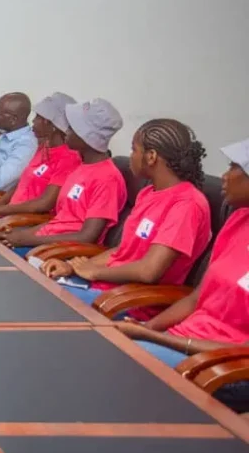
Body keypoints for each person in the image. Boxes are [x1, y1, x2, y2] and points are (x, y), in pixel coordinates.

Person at [116, 137, 249, 412]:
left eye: (234, 167)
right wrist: (147, 328)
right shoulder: (239, 219)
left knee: (118, 360)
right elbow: (196, 298)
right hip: (183, 341)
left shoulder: (189, 203)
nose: (224, 176)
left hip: (224, 365)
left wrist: (155, 338)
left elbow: (243, 352)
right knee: (108, 345)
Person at [39, 119, 211, 311]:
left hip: (128, 302)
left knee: (45, 301)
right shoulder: (148, 193)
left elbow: (148, 271)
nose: (131, 156)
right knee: (39, 283)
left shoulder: (187, 205)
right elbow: (123, 251)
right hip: (104, 288)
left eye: (134, 149)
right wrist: (72, 267)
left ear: (151, 156)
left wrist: (95, 272)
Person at [0, 99, 126, 256]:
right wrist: (23, 235)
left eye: (71, 128)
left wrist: (25, 239)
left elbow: (87, 237)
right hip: (45, 241)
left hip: (61, 252)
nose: (66, 131)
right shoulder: (82, 167)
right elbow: (60, 221)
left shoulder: (107, 178)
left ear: (86, 136)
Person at [0, 93, 82, 234]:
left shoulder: (68, 158)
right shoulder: (44, 148)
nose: (33, 121)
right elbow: (21, 183)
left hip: (25, 222)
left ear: (52, 125)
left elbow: (44, 203)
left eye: (38, 118)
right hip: (8, 215)